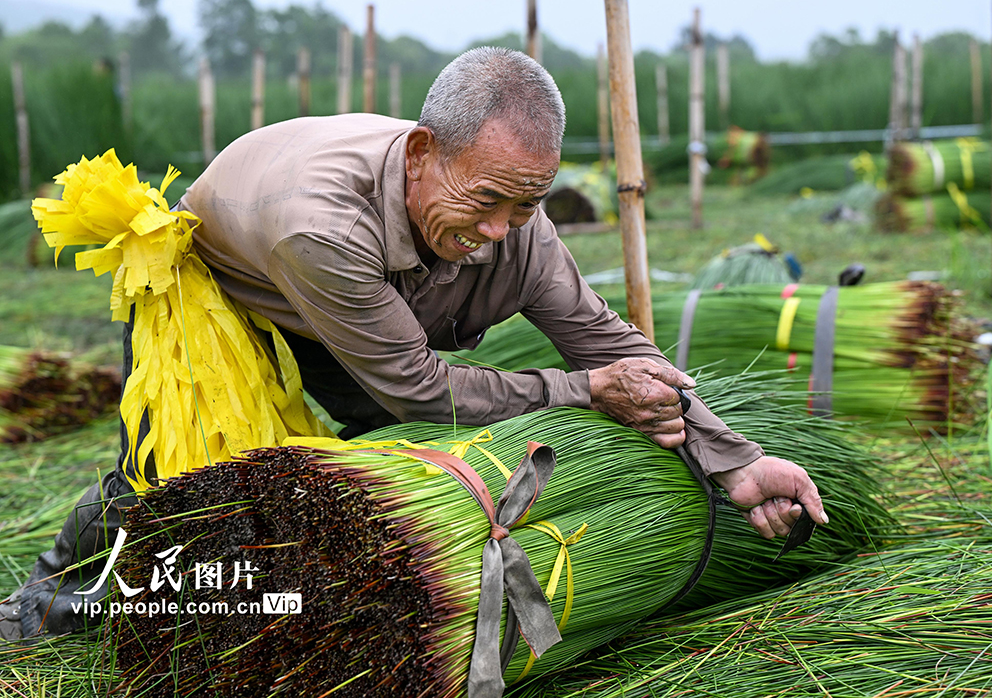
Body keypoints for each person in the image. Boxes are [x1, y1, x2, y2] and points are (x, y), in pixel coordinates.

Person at [0, 47, 826, 643]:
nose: (501, 233)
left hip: (369, 312)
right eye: (491, 200)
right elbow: (423, 393)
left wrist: (736, 461)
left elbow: (608, 344)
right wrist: (582, 392)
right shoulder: (322, 225)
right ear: (423, 155)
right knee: (182, 475)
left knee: (378, 454)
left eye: (529, 204)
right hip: (233, 295)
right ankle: (47, 593)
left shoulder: (515, 225)